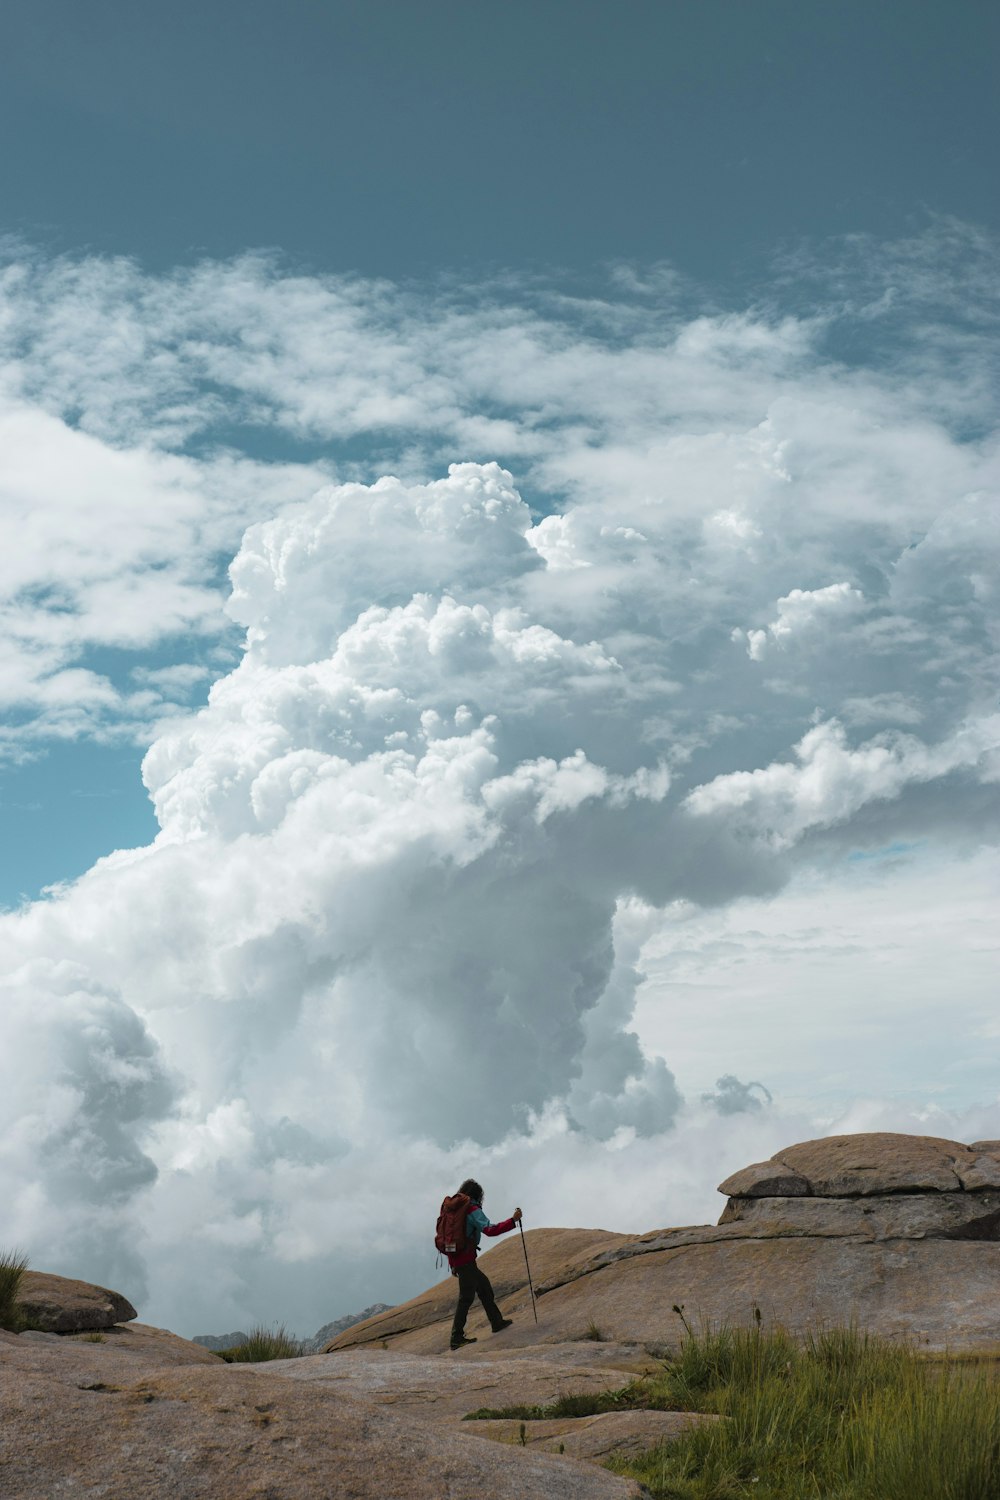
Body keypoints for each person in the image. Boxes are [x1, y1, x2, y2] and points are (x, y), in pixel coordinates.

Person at [446, 1178, 522, 1350]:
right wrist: (513, 1221)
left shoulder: (454, 1211)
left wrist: (453, 1263)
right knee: (466, 1298)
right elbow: (490, 1230)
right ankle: (456, 1338)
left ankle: (496, 1322)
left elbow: (450, 1240)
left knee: (484, 1288)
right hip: (466, 1260)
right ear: (477, 1195)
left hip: (460, 1259)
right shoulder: (471, 1209)